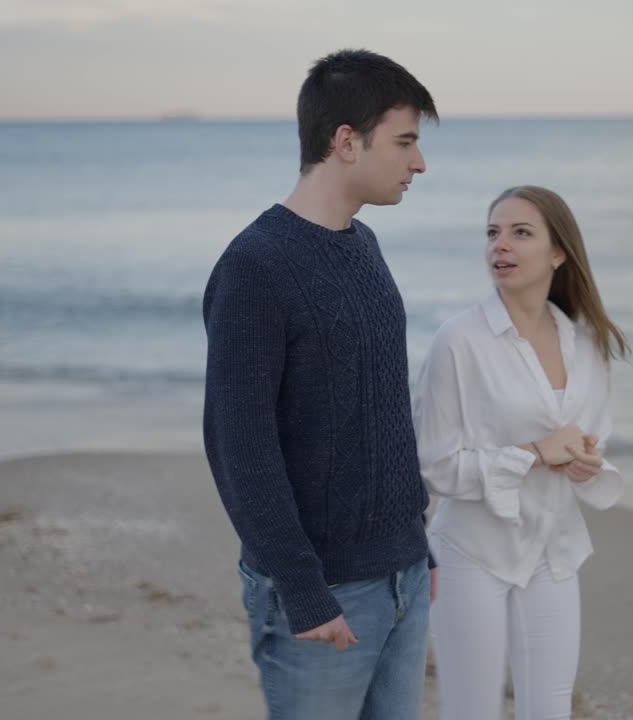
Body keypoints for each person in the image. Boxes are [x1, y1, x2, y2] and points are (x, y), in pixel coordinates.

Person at [201, 49, 438, 720]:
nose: (419, 163)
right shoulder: (254, 267)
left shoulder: (364, 245)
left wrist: (416, 545)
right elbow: (239, 446)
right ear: (345, 141)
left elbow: (382, 412)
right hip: (322, 593)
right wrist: (302, 590)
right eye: (405, 142)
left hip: (402, 576)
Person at [413, 185, 629, 719]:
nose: (500, 245)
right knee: (472, 712)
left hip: (553, 553)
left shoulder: (588, 345)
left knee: (551, 712)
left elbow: (591, 441)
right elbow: (434, 465)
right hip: (471, 554)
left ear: (558, 253)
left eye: (520, 233)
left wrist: (586, 464)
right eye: (493, 233)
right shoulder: (459, 339)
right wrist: (533, 452)